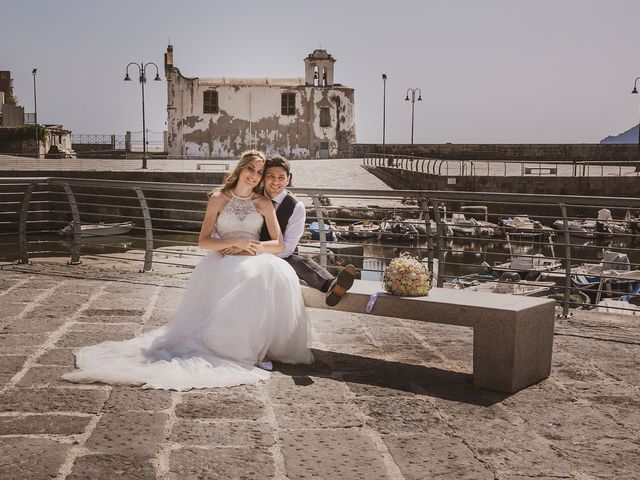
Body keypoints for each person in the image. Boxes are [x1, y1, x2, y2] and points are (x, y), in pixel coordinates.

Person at [62, 150, 313, 391]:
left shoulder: (263, 202)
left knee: (263, 276)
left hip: (252, 255)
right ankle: (231, 350)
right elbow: (203, 241)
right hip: (223, 258)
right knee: (243, 279)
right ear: (240, 169)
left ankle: (255, 349)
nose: (255, 176)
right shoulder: (218, 198)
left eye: (260, 172)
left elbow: (279, 244)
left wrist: (249, 247)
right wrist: (231, 244)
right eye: (251, 169)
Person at [224, 154, 355, 306]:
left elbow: (286, 248)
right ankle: (330, 282)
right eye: (270, 176)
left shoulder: (296, 207)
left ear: (289, 178)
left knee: (296, 260)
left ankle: (332, 284)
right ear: (263, 178)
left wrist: (253, 251)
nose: (275, 182)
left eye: (281, 177)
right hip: (246, 248)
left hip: (279, 253)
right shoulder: (252, 197)